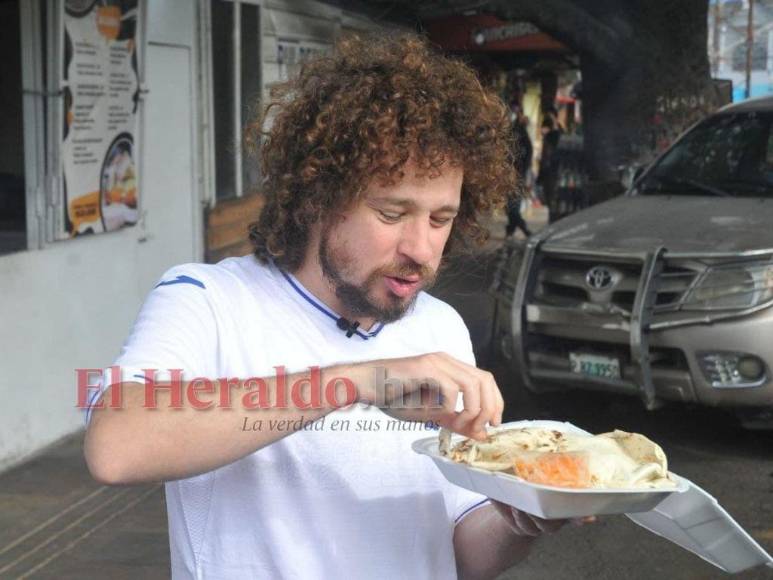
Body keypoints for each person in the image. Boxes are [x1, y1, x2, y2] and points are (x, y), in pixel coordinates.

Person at [83, 33, 588, 580]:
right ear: (318, 197)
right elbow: (117, 445)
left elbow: (457, 551)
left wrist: (518, 520)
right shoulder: (209, 302)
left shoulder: (442, 329)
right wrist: (358, 381)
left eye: (440, 219)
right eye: (392, 214)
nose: (421, 249)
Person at [505, 102, 533, 238]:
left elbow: (528, 151)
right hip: (509, 172)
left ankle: (522, 229)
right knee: (510, 205)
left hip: (516, 172)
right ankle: (511, 229)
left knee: (512, 204)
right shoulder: (510, 129)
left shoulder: (519, 130)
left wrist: (523, 167)